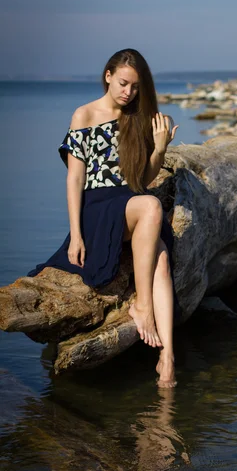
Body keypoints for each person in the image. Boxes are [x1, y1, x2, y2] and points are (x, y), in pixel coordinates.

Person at [28, 48, 178, 388]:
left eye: (136, 87)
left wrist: (159, 148)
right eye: (124, 83)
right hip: (97, 207)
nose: (129, 92)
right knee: (152, 207)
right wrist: (76, 234)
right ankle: (142, 305)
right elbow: (75, 179)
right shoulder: (83, 114)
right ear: (108, 75)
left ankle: (167, 359)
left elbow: (143, 180)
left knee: (163, 261)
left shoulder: (137, 117)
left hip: (128, 203)